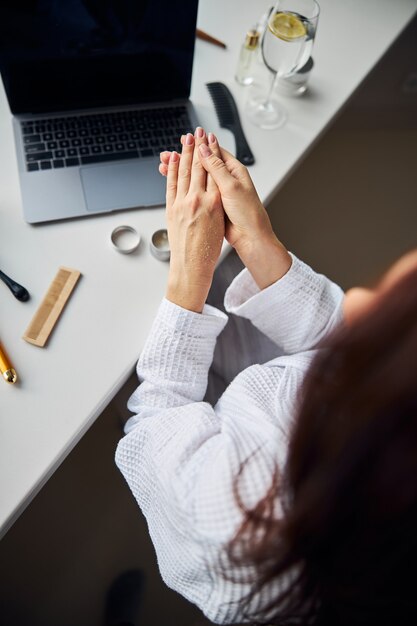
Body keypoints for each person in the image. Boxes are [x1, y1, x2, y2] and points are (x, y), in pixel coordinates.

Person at [115, 127, 417, 625]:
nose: (358, 296)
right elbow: (339, 341)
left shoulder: (238, 515)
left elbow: (155, 414)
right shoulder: (392, 428)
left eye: (382, 298)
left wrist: (188, 274)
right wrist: (257, 238)